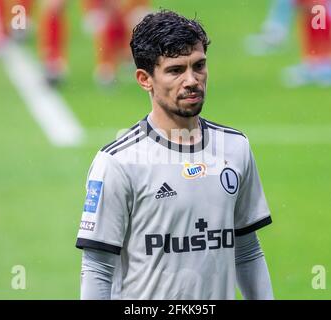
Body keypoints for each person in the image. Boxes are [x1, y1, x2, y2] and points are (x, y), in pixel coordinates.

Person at [76, 10, 274, 300]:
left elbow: (247, 250)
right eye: (176, 70)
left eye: (199, 66)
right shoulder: (118, 163)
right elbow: (97, 269)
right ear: (145, 79)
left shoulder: (235, 147)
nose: (192, 80)